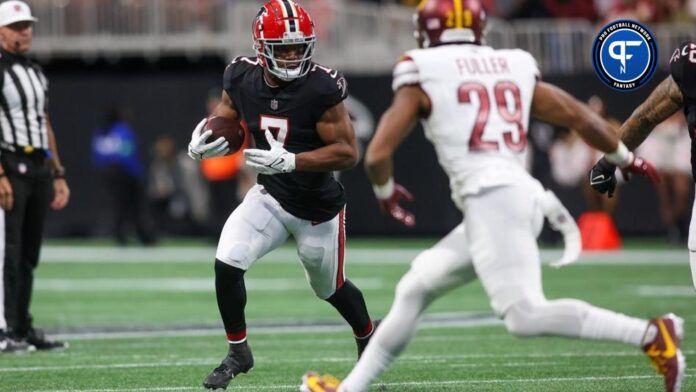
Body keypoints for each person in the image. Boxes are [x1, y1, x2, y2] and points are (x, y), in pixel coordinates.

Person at [301, 1, 684, 392]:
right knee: (415, 288)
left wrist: (385, 192)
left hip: (494, 201)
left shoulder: (424, 68)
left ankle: (651, 334)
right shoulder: (511, 63)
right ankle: (350, 390)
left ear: (428, 32)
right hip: (510, 197)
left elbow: (378, 153)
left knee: (524, 316)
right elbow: (579, 117)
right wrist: (623, 157)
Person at [186, 0, 376, 389]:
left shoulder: (322, 87)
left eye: (298, 46)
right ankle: (238, 351)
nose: (292, 55)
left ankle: (368, 345)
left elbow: (348, 153)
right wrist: (204, 135)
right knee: (227, 261)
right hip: (270, 195)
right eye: (283, 48)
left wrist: (292, 161)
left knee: (330, 288)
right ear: (262, 47)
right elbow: (227, 117)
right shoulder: (240, 75)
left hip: (317, 208)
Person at [590, 40, 696, 289]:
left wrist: (607, 162)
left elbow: (645, 117)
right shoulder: (690, 69)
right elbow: (646, 116)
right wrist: (608, 161)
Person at [0, 1, 70, 352]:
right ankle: (3, 328)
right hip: (10, 164)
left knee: (28, 254)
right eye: (16, 26)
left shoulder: (34, 72)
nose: (24, 31)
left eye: (27, 25)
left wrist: (57, 171)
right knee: (6, 252)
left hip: (39, 167)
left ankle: (20, 325)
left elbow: (44, 123)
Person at [91, 107, 155, 245]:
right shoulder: (122, 130)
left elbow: (97, 156)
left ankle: (120, 234)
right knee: (134, 206)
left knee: (118, 205)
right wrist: (137, 174)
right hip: (125, 173)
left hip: (108, 174)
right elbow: (129, 153)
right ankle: (141, 235)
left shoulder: (101, 132)